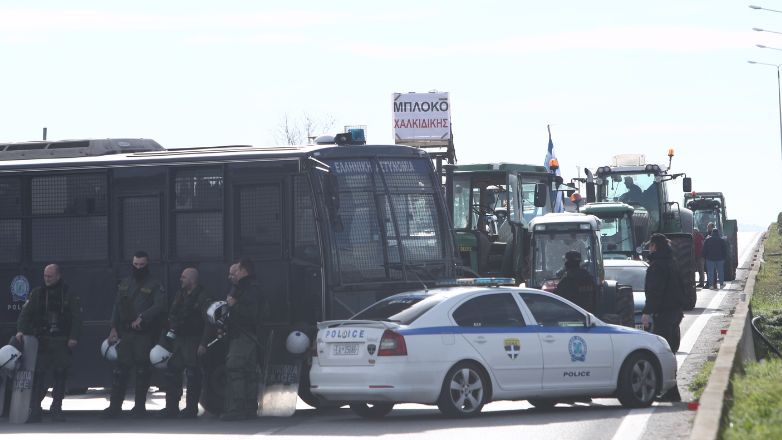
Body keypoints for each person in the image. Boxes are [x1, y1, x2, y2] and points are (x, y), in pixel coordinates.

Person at [104, 251, 166, 419]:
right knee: (120, 371)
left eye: (142, 265)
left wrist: (143, 317)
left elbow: (160, 305)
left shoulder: (154, 284)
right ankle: (115, 407)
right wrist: (113, 328)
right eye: (136, 264)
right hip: (125, 333)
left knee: (142, 370)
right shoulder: (125, 282)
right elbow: (117, 306)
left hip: (143, 334)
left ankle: (139, 408)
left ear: (147, 265)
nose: (138, 268)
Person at [16, 264, 82, 422]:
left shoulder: (68, 293)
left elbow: (76, 318)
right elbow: (25, 315)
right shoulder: (37, 294)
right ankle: (35, 410)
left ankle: (56, 409)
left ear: (58, 276)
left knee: (60, 374)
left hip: (61, 340)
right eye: (45, 276)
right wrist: (21, 330)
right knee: (38, 375)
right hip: (42, 340)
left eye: (50, 276)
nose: (47, 279)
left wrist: (74, 337)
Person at [159, 267, 213, 419]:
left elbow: (209, 322)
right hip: (180, 340)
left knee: (193, 373)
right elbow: (173, 314)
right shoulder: (180, 294)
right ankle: (171, 407)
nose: (180, 279)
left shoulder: (203, 296)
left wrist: (203, 343)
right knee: (172, 369)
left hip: (194, 340)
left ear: (192, 279)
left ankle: (191, 409)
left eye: (183, 277)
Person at [221, 258, 265, 421]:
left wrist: (233, 305)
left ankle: (238, 408)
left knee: (235, 369)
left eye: (235, 272)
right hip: (244, 336)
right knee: (248, 372)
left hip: (244, 335)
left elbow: (251, 314)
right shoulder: (243, 287)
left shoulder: (249, 289)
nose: (231, 276)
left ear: (244, 271)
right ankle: (249, 408)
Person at [642, 233, 684, 353]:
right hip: (676, 312)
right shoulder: (673, 263)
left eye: (650, 246)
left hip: (663, 314)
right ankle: (672, 371)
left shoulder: (656, 266)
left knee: (662, 350)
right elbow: (682, 285)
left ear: (654, 247)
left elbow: (654, 291)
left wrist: (646, 312)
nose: (649, 249)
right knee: (672, 349)